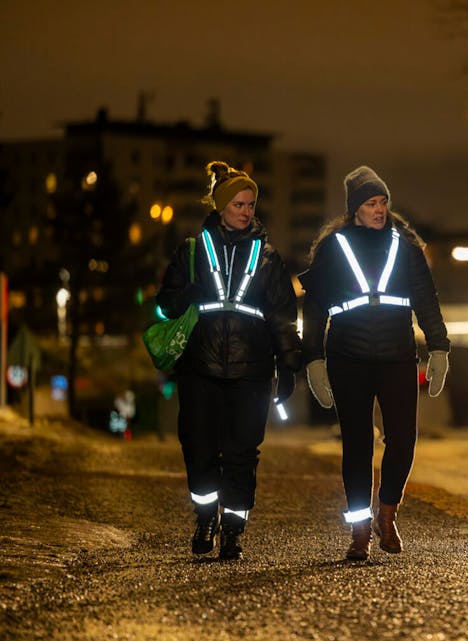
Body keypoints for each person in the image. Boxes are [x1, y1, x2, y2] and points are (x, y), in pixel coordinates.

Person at [299, 166, 450, 561]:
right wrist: (312, 359)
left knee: (403, 438)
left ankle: (387, 513)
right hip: (348, 357)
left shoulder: (407, 246)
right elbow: (313, 307)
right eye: (370, 203)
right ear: (354, 209)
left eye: (383, 202)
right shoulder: (333, 247)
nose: (379, 209)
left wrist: (439, 347)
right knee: (357, 446)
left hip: (397, 354)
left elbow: (426, 300)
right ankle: (359, 532)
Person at [156, 161, 301, 559]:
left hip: (252, 371)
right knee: (199, 447)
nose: (246, 211)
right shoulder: (190, 251)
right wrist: (185, 292)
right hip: (199, 368)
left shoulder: (269, 257)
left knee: (242, 452)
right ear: (221, 206)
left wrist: (289, 366)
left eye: (251, 205)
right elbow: (164, 307)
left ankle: (233, 531)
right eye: (238, 203)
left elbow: (283, 316)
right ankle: (206, 517)